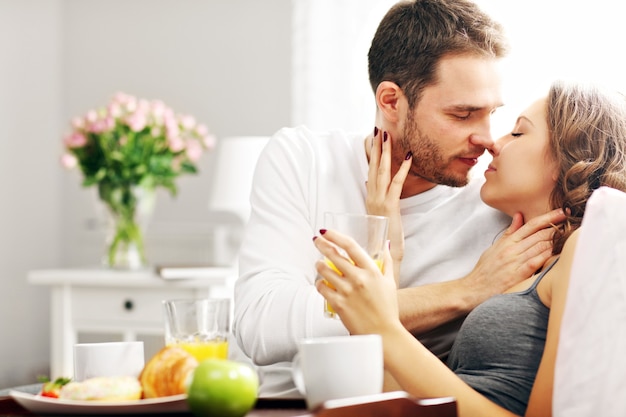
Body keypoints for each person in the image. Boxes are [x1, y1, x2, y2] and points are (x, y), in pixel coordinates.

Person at [233, 0, 564, 397]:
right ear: (391, 101)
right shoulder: (304, 159)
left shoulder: (497, 207)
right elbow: (261, 325)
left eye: (492, 113)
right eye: (462, 114)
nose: (487, 138)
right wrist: (465, 291)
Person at [314, 80, 626, 416]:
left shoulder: (587, 247)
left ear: (569, 160)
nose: (494, 143)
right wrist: (390, 251)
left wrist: (383, 327)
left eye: (518, 133)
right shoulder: (528, 264)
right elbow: (404, 397)